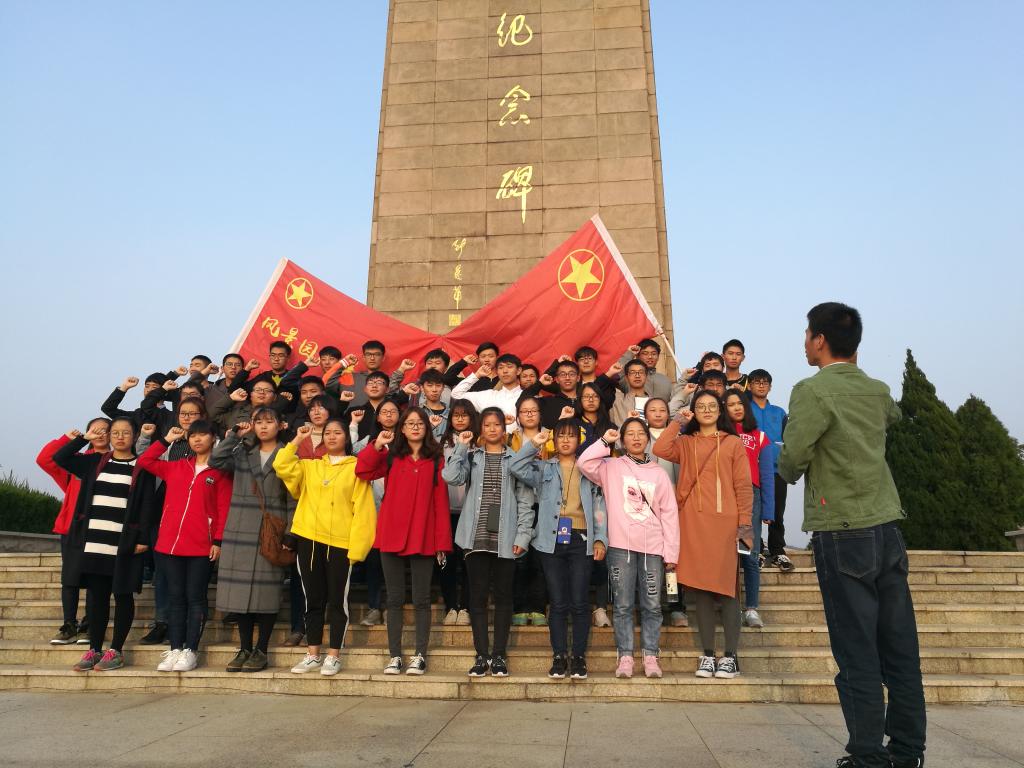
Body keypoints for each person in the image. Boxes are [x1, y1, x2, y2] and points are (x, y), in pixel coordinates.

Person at [778, 302, 925, 768]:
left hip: (842, 531)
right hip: (886, 528)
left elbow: (792, 461)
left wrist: (786, 460)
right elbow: (891, 417)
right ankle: (907, 752)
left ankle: (867, 756)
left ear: (820, 340)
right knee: (900, 650)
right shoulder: (877, 391)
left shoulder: (811, 391)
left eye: (807, 334)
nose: (805, 342)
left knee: (857, 650)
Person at [653, 391, 752, 680]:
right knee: (702, 591)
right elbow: (660, 448)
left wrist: (745, 525)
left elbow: (743, 486)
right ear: (694, 411)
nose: (706, 410)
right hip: (692, 522)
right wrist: (677, 422)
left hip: (725, 524)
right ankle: (708, 654)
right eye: (700, 406)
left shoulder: (732, 442)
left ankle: (730, 657)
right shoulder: (686, 442)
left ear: (720, 410)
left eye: (711, 406)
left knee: (728, 590)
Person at [53, 418, 157, 671]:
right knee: (96, 598)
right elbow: (60, 458)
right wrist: (83, 438)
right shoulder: (94, 462)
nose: (120, 437)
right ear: (109, 436)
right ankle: (94, 649)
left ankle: (116, 650)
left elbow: (148, 505)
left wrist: (143, 539)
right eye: (115, 432)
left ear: (135, 436)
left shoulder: (141, 467)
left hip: (124, 544)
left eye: (126, 433)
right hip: (95, 542)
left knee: (122, 595)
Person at [273, 419, 376, 676]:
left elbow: (364, 511)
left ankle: (333, 655)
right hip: (309, 539)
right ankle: (312, 654)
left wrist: (358, 549)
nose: (331, 436)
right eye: (327, 433)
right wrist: (298, 439)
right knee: (313, 599)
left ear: (346, 438)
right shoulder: (310, 466)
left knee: (337, 600)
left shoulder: (356, 468)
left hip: (340, 543)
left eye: (337, 432)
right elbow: (281, 465)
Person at [578, 418, 679, 679]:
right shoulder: (611, 467)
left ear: (647, 438)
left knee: (652, 605)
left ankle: (651, 655)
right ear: (622, 440)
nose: (636, 438)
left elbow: (670, 514)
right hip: (620, 546)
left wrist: (671, 552)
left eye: (640, 433)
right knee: (622, 605)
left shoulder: (659, 473)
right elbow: (584, 463)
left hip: (653, 547)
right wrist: (605, 441)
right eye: (630, 434)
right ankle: (625, 656)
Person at [355, 407, 452, 675]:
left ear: (427, 427)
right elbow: (362, 471)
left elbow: (440, 502)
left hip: (423, 534)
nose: (415, 427)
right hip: (391, 533)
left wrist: (442, 543)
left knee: (422, 599)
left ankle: (420, 655)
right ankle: (395, 655)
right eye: (409, 423)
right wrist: (377, 445)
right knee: (394, 598)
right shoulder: (391, 456)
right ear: (402, 428)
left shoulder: (436, 459)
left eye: (420, 423)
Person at [510, 420, 608, 680]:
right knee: (557, 601)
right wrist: (534, 443)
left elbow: (599, 505)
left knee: (579, 601)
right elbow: (515, 466)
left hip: (581, 539)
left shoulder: (589, 467)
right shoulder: (544, 467)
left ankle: (578, 657)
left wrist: (600, 539)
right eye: (561, 435)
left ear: (579, 440)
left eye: (571, 436)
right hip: (550, 539)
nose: (565, 440)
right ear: (554, 439)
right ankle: (559, 656)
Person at [442, 407, 534, 677]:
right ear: (480, 429)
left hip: (506, 538)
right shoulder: (472, 457)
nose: (492, 429)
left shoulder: (515, 459)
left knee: (504, 597)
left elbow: (525, 501)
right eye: (487, 424)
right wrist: (461, 446)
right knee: (478, 598)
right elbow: (450, 477)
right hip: (475, 537)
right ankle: (481, 655)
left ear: (504, 429)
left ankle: (499, 656)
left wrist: (523, 535)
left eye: (497, 424)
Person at [138, 420, 231, 673]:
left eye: (203, 435)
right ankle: (175, 648)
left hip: (201, 546)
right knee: (175, 598)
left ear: (213, 439)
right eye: (193, 436)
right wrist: (165, 440)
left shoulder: (220, 471)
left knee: (195, 598)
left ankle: (191, 650)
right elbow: (145, 461)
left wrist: (218, 540)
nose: (197, 439)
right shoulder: (176, 466)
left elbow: (223, 508)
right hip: (169, 545)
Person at [209, 409, 295, 672]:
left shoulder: (288, 454)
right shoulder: (242, 452)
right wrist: (235, 435)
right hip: (240, 529)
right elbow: (215, 460)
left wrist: (291, 533)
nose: (263, 427)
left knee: (266, 593)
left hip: (271, 530)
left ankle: (261, 650)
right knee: (240, 594)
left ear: (280, 425)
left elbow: (293, 496)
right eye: (259, 422)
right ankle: (245, 647)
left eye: (269, 421)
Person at [36, 419, 111, 644]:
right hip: (72, 528)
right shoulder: (75, 461)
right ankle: (69, 624)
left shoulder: (115, 462)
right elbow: (44, 460)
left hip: (102, 528)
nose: (100, 434)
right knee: (70, 578)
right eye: (95, 430)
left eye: (105, 430)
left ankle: (89, 623)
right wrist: (68, 439)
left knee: (95, 578)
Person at [723, 389, 775, 629]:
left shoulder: (760, 436)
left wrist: (768, 510)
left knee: (749, 554)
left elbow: (767, 475)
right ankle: (729, 605)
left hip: (751, 500)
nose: (736, 407)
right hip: (724, 497)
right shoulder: (720, 434)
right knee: (726, 555)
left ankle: (751, 608)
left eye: (740, 403)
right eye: (730, 404)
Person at [644, 398, 688, 629]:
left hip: (674, 506)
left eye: (662, 410)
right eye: (652, 410)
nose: (658, 414)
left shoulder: (678, 438)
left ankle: (675, 605)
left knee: (672, 562)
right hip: (645, 507)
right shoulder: (640, 437)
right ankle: (648, 605)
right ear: (645, 415)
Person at [747, 368, 793, 572]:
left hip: (776, 469)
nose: (761, 385)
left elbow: (789, 440)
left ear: (770, 386)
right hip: (751, 470)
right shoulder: (745, 410)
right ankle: (756, 549)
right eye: (757, 382)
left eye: (765, 382)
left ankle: (777, 550)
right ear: (750, 385)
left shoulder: (779, 412)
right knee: (753, 512)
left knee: (777, 511)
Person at [438, 400, 478, 626]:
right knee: (448, 562)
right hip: (447, 511)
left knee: (470, 562)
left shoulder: (479, 443)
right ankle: (450, 606)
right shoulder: (441, 444)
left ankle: (466, 607)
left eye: (465, 415)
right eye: (456, 415)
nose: (460, 419)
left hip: (471, 512)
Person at [450, 354, 524, 428]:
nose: (505, 371)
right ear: (497, 372)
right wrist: (477, 375)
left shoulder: (527, 397)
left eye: (509, 367)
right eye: (501, 368)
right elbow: (456, 394)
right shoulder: (488, 396)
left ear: (518, 370)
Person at [610, 359, 650, 425]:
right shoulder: (617, 400)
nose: (637, 376)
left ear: (646, 376)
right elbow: (597, 389)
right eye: (632, 372)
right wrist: (610, 373)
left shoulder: (655, 402)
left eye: (641, 372)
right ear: (626, 378)